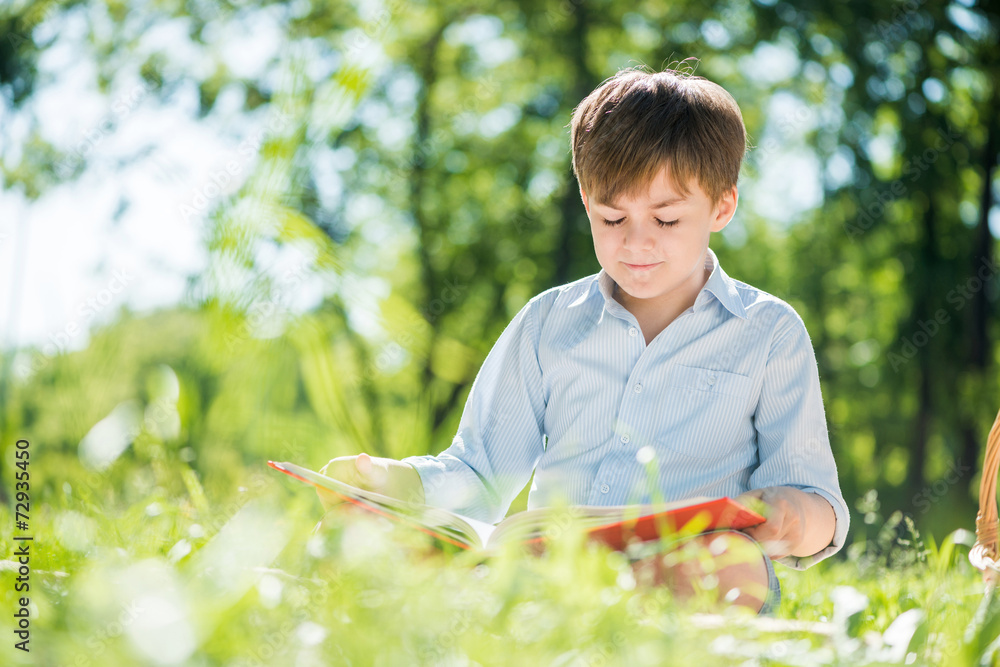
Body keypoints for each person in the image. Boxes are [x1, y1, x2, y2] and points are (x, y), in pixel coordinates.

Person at [317, 64, 849, 616]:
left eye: (666, 220)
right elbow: (478, 472)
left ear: (721, 206)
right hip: (553, 559)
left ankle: (562, 610)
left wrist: (794, 515)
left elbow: (817, 502)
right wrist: (386, 480)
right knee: (366, 537)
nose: (636, 242)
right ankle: (539, 603)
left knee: (729, 564)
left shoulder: (768, 332)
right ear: (586, 201)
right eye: (612, 217)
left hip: (686, 564)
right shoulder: (548, 323)